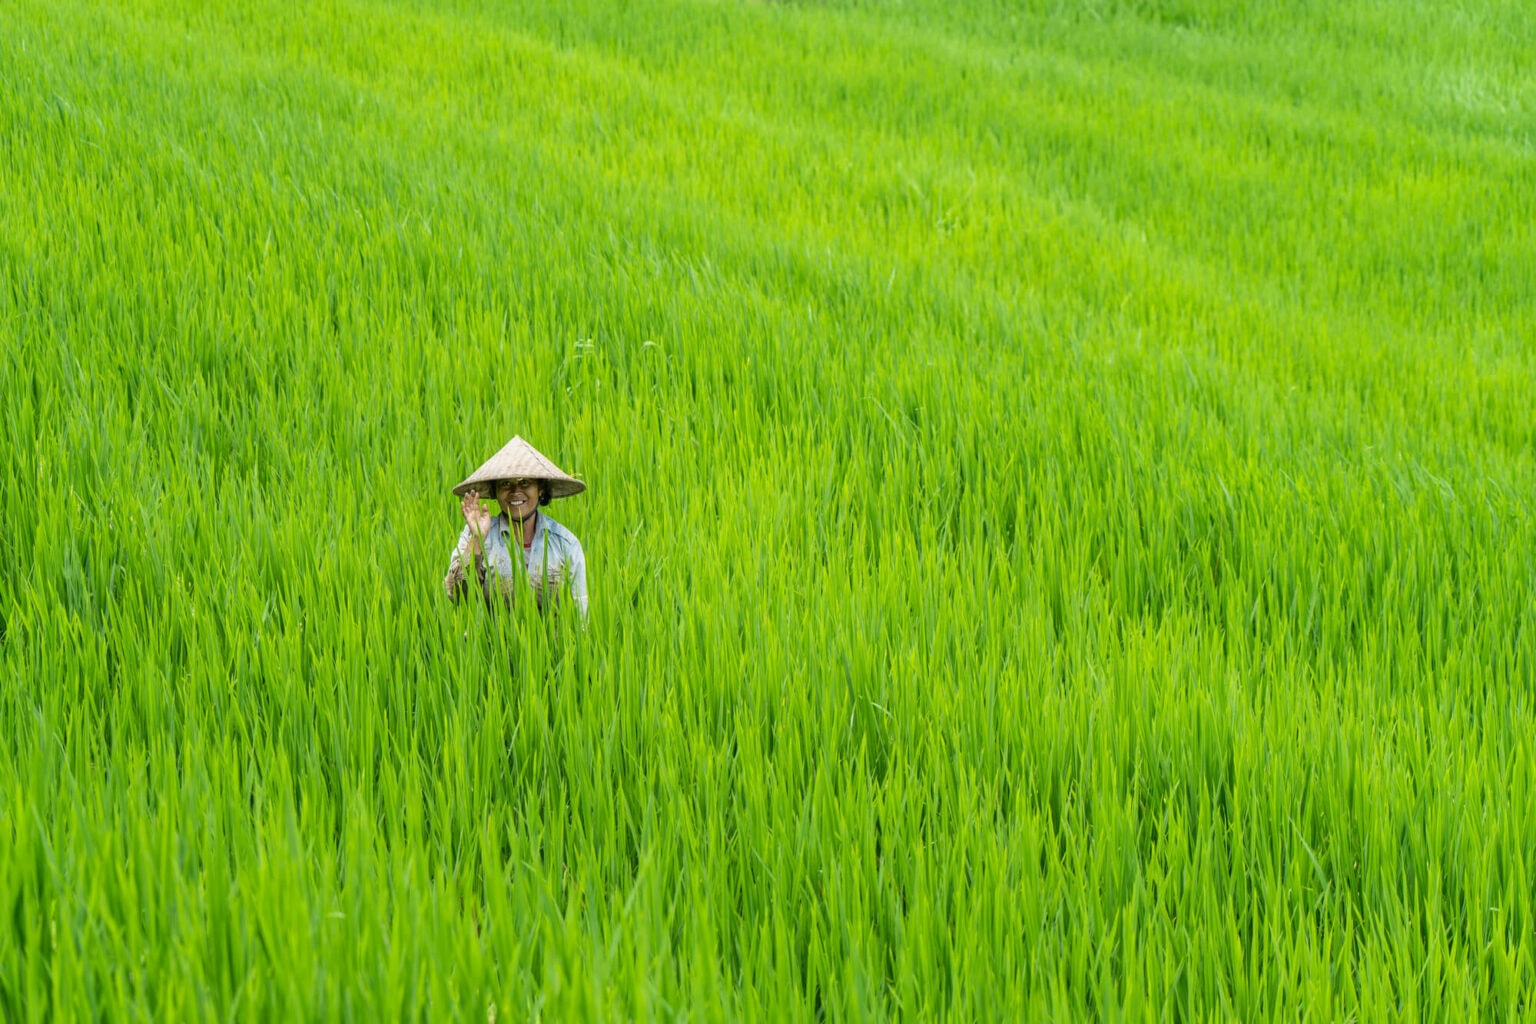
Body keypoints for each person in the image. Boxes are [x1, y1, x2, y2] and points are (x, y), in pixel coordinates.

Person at [443, 435, 587, 617]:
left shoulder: (565, 544)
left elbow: (580, 615)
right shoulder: (477, 535)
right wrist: (477, 538)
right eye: (505, 484)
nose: (515, 491)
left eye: (525, 482)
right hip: (491, 644)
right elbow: (456, 595)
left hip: (553, 645)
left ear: (540, 489)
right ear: (495, 492)